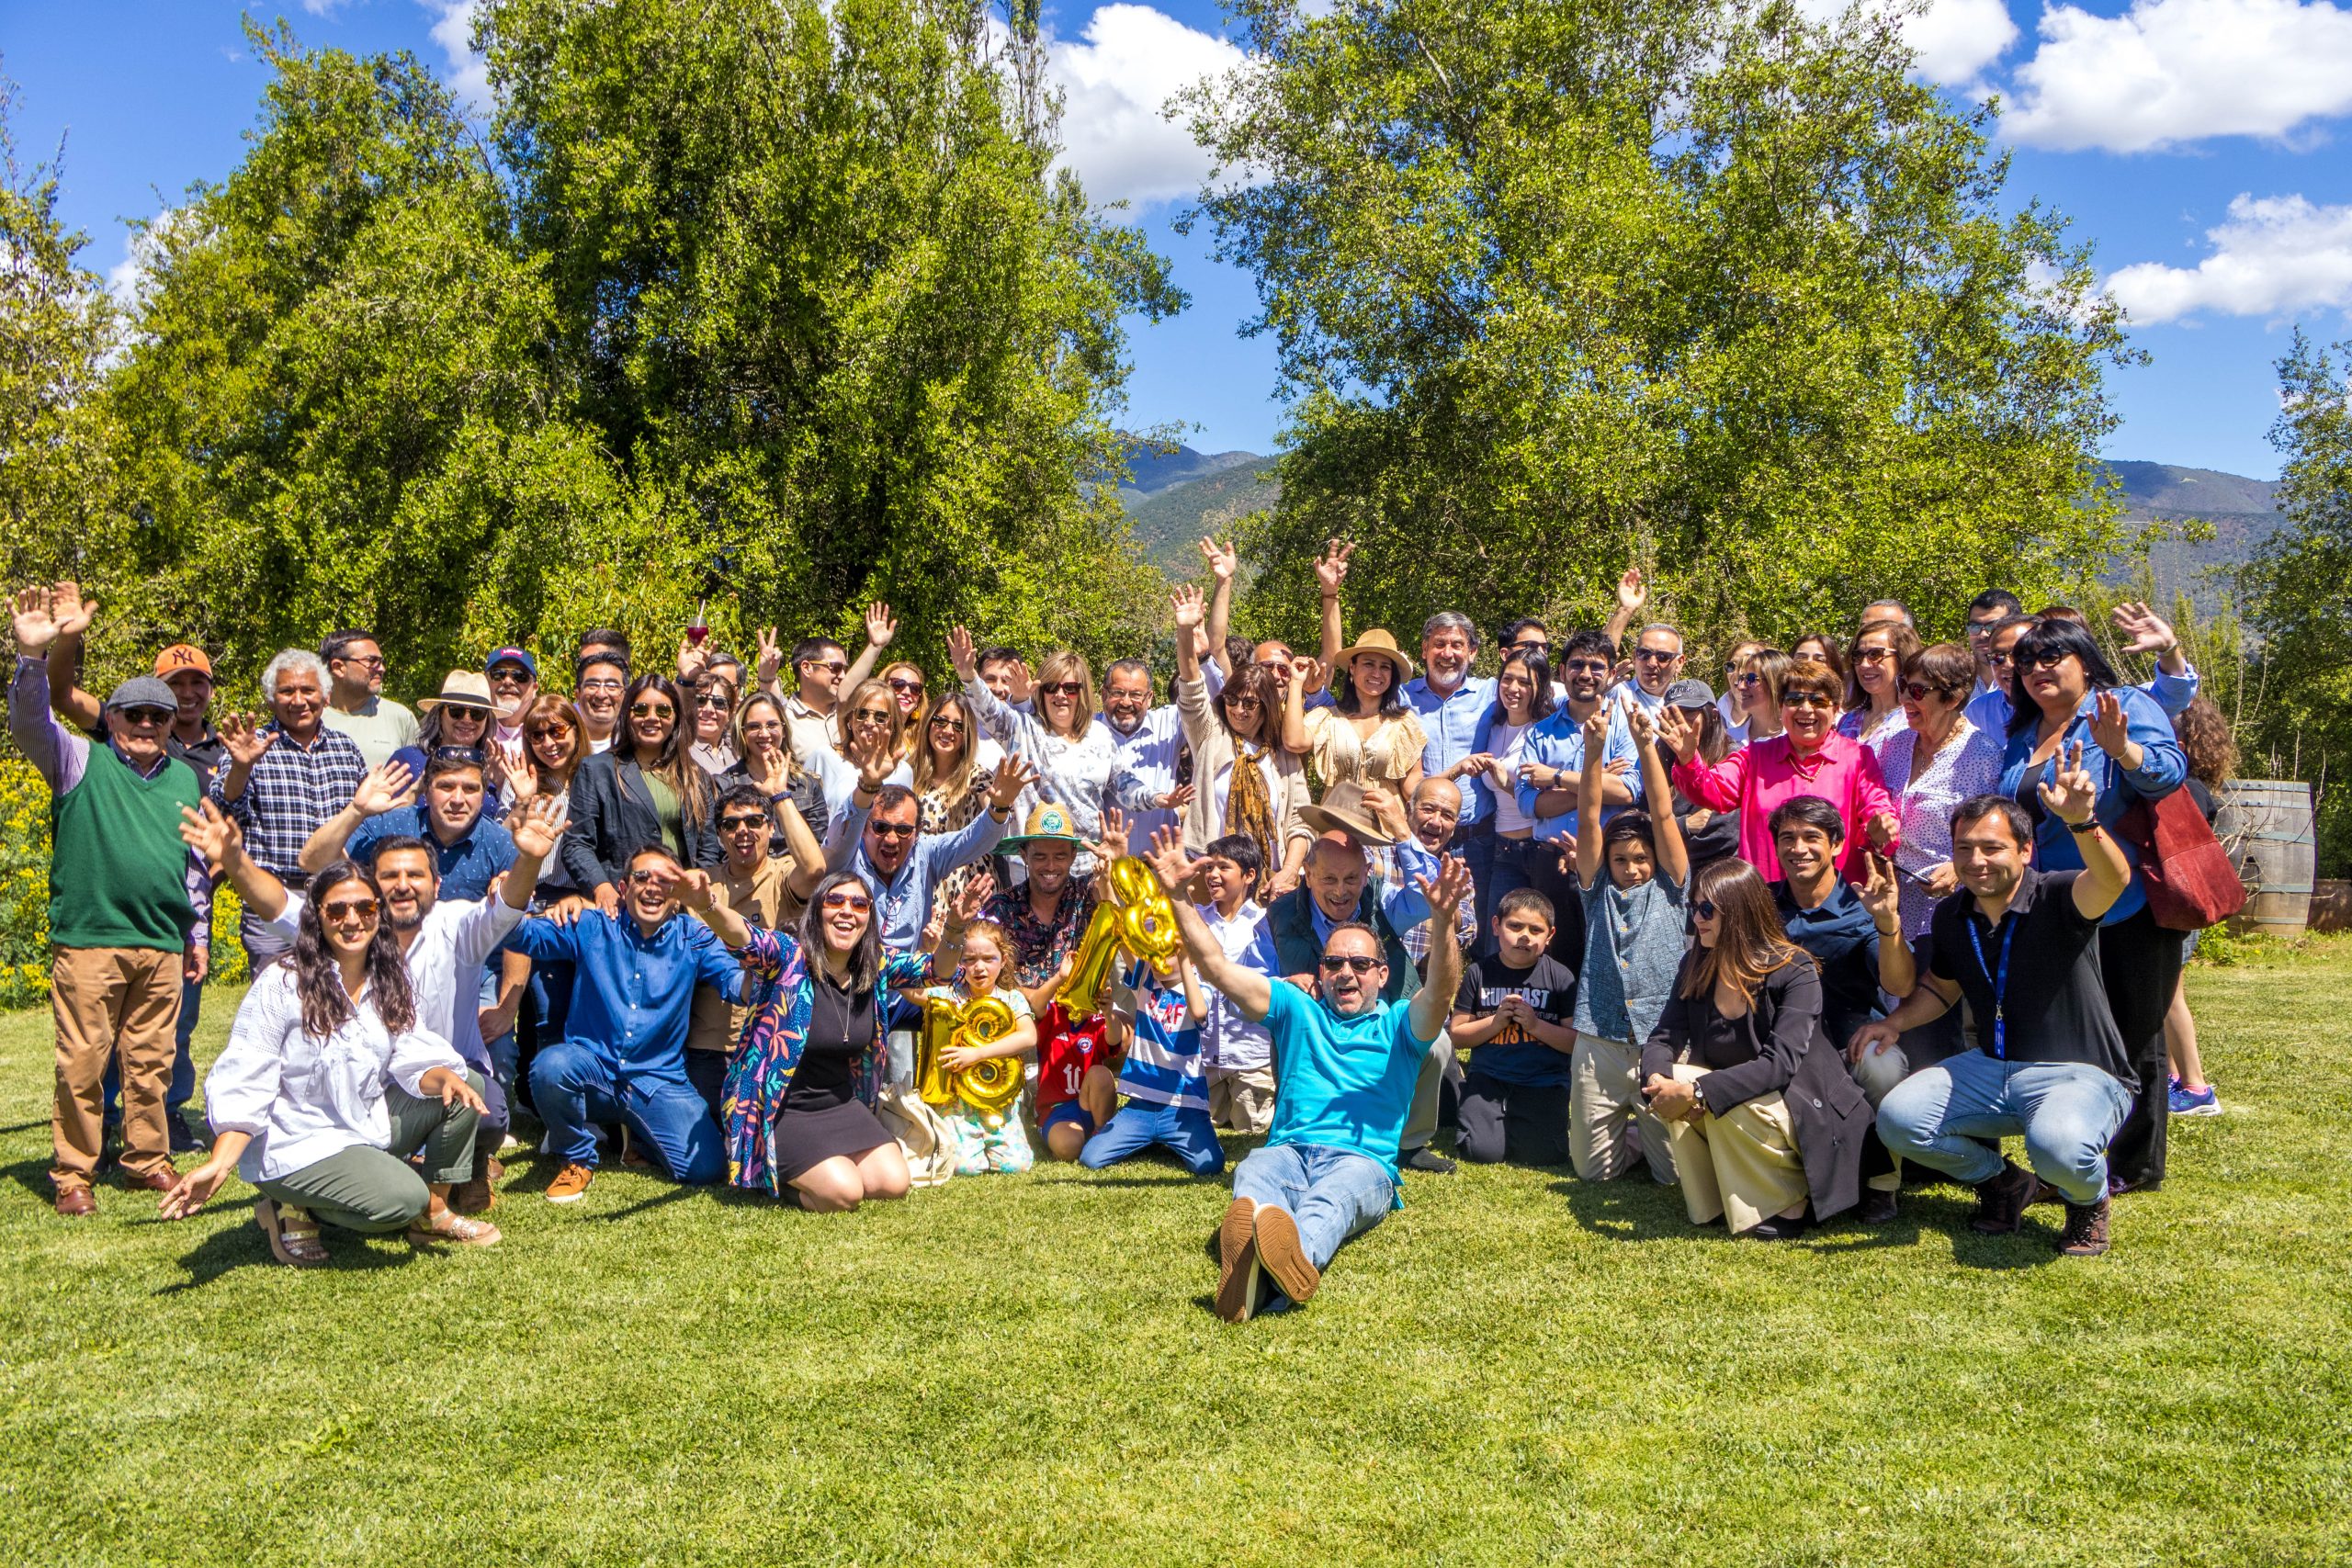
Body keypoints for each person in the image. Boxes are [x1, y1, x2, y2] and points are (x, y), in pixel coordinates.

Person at [1143, 828, 1473, 1322]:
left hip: (1362, 1162)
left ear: (1382, 975)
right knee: (1255, 1170)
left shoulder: (1400, 1023)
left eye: (1361, 964)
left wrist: (1444, 920)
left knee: (1331, 1202)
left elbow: (1443, 991)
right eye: (1335, 962)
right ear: (1320, 971)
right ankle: (1262, 1254)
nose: (1346, 973)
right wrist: (1177, 900)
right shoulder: (1295, 1007)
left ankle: (1280, 1260)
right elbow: (1215, 967)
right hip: (1289, 1150)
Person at [188, 793, 567, 1212]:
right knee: (398, 1195)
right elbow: (275, 902)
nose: (403, 885)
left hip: (422, 1078)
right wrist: (236, 861)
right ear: (373, 885)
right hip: (344, 1097)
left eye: (415, 876)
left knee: (487, 1110)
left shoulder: (454, 924)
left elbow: (504, 909)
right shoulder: (346, 925)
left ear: (436, 885)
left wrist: (529, 860)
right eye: (389, 877)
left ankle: (453, 1177)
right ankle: (310, 1200)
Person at [158, 858, 498, 1263]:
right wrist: (220, 1163)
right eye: (337, 910)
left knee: (466, 1087)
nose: (352, 920)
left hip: (360, 1121)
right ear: (316, 917)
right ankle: (289, 1205)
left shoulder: (391, 976)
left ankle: (433, 1214)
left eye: (365, 908)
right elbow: (249, 1076)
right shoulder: (283, 983)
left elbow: (411, 1049)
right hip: (297, 1140)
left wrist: (442, 1077)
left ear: (379, 912)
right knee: (401, 1198)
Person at [1861, 778, 2138, 1257]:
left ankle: (2086, 1201)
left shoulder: (2060, 896)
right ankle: (2007, 1182)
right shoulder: (1953, 914)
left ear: (2026, 851)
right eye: (1963, 848)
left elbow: (2114, 879)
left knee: (2058, 1147)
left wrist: (2081, 821)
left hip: (2078, 1073)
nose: (1975, 860)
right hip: (1991, 1067)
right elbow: (1940, 988)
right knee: (1899, 1119)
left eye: (1992, 847)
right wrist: (1896, 1023)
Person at [11, 590, 212, 1215]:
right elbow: (28, 721)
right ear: (113, 720)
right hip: (90, 938)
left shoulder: (185, 778)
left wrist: (194, 934)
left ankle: (145, 1161)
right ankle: (74, 1174)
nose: (147, 726)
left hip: (160, 943)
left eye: (158, 717)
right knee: (83, 1063)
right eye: (133, 716)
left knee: (151, 1064)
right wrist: (31, 656)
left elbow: (190, 867)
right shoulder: (77, 759)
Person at [1998, 616, 2188, 1194]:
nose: (2037, 670)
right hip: (2053, 905)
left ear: (2085, 660)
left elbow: (2168, 774)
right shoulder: (2024, 732)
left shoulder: (2121, 705)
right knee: (2072, 1034)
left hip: (2127, 900)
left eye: (2051, 657)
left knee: (2134, 1032)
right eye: (2026, 662)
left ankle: (2132, 1163)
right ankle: (2075, 1148)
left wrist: (2123, 750)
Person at [721, 870, 982, 1210]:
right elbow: (746, 939)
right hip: (783, 1110)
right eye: (835, 900)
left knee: (894, 1182)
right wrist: (707, 903)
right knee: (845, 1192)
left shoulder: (874, 966)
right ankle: (775, 1179)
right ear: (817, 911)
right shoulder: (789, 958)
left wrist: (955, 928)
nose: (847, 910)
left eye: (860, 904)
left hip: (840, 1104)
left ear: (868, 919)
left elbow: (937, 972)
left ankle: (826, 1168)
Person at [1640, 857, 1871, 1238]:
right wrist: (1657, 1082)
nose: (1697, 918)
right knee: (1674, 1082)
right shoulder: (1696, 962)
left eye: (1708, 909)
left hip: (1802, 1106)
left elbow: (1780, 1065)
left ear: (1741, 911)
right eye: (1693, 907)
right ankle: (1714, 1201)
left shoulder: (1795, 968)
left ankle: (1790, 1203)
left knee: (1712, 1092)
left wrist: (1697, 1091)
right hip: (1750, 1105)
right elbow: (1664, 1035)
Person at [511, 845, 756, 1201]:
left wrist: (769, 967)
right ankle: (577, 1155)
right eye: (642, 878)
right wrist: (515, 894)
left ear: (677, 895)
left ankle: (637, 1135)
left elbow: (737, 987)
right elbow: (522, 936)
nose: (652, 887)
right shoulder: (593, 924)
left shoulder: (693, 936)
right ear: (623, 889)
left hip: (657, 1080)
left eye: (665, 881)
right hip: (591, 1072)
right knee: (550, 1067)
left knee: (706, 1169)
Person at [1261, 820, 1450, 1172]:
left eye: (1351, 878)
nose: (1340, 891)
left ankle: (1408, 1142)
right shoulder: (1277, 915)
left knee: (1437, 1042)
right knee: (1284, 1024)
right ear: (1307, 874)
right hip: (1317, 1026)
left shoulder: (1384, 900)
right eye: (1329, 879)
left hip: (1385, 1019)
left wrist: (1402, 834)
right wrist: (1283, 980)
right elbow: (1250, 974)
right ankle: (1299, 1125)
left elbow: (1431, 896)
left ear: (1366, 873)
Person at [1765, 795, 1917, 1222]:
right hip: (1784, 1039)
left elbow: (1900, 984)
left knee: (1882, 1067)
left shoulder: (1862, 906)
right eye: (1787, 838)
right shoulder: (1762, 905)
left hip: (1851, 1033)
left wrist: (1888, 924)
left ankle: (1881, 1184)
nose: (1798, 848)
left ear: (1837, 844)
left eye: (1812, 837)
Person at [1566, 705, 1682, 1185]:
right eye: (1620, 860)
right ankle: (1627, 1131)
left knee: (1673, 1178)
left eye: (1640, 858)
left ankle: (1644, 1124)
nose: (1631, 868)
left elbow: (1662, 810)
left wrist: (1644, 746)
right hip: (1600, 1040)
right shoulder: (1597, 894)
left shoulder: (1674, 887)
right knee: (1595, 1173)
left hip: (1661, 1042)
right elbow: (1590, 817)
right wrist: (1592, 753)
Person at [1660, 657, 1898, 883]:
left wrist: (1881, 829)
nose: (1805, 709)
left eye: (1818, 701)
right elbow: (1711, 791)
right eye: (1794, 700)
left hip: (1836, 905)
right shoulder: (1755, 756)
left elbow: (1878, 813)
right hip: (1767, 901)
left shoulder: (1857, 757)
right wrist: (1689, 759)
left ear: (1835, 709)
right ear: (1782, 707)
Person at [981, 803, 1127, 1157]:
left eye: (1060, 856)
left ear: (1073, 856)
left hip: (1081, 1027)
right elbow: (994, 983)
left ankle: (1103, 1112)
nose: (1050, 866)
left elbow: (1120, 925)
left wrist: (1113, 872)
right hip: (1022, 1025)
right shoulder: (1002, 907)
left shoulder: (1086, 894)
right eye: (1041, 856)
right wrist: (1041, 995)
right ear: (1023, 855)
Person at [210, 649, 368, 967]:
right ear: (271, 699)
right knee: (279, 998)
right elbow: (224, 807)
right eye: (287, 691)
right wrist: (241, 767)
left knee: (338, 996)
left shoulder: (346, 749)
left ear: (325, 696)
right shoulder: (253, 746)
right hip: (274, 898)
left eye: (308, 690)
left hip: (336, 899)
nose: (298, 700)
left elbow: (362, 816)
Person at [683, 780, 828, 1118]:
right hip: (710, 1044)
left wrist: (780, 797)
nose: (742, 831)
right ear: (719, 835)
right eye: (730, 825)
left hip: (773, 1039)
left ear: (770, 827)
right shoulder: (702, 884)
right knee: (713, 1150)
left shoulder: (782, 875)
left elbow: (816, 869)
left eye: (754, 821)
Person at [949, 623, 1118, 876]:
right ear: (1042, 691)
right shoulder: (1023, 727)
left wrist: (1159, 799)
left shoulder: (1101, 735)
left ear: (1082, 692)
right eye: (1051, 687)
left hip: (1085, 864)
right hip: (1028, 865)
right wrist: (968, 675)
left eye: (1070, 688)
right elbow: (991, 710)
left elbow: (1125, 785)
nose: (1060, 694)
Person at [1171, 585, 1309, 892]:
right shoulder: (1210, 734)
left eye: (1250, 704)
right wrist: (1184, 632)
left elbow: (1301, 822)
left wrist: (1287, 873)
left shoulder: (1283, 754)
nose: (1238, 710)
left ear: (1266, 707)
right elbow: (1191, 684)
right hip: (1211, 884)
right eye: (1232, 700)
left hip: (1270, 886)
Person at [1513, 629, 1638, 965]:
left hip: (1606, 863)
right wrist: (1598, 782)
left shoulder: (1623, 728)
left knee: (1608, 958)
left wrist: (1556, 778)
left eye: (1596, 667)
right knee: (1553, 963)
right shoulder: (1540, 732)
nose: (1585, 674)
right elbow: (1529, 805)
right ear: (1562, 670)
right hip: (1549, 864)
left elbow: (1626, 791)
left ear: (1612, 674)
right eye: (1577, 664)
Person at [824, 758, 1027, 950]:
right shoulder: (847, 853)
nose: (891, 839)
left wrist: (999, 806)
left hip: (906, 980)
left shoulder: (926, 853)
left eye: (903, 830)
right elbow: (843, 828)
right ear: (865, 828)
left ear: (918, 831)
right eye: (881, 827)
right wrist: (867, 785)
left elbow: (973, 840)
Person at [1878, 643, 2006, 944]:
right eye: (1903, 686)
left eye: (1918, 691)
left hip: (1951, 901)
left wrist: (1958, 871)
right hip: (1894, 899)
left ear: (1954, 698)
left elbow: (1998, 837)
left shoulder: (1982, 755)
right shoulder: (1894, 745)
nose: (1905, 698)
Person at [563, 671, 719, 913]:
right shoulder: (597, 770)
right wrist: (601, 886)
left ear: (676, 717)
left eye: (663, 711)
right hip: (621, 905)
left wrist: (695, 890)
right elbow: (576, 843)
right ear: (627, 714)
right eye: (641, 709)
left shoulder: (695, 775)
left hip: (681, 908)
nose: (652, 718)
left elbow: (708, 848)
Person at [1448, 889, 1577, 1167]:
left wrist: (1535, 1026)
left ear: (1550, 935)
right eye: (1515, 926)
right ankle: (1475, 1107)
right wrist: (1495, 1022)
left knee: (1542, 1155)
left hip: (1543, 1080)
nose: (1524, 936)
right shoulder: (1478, 973)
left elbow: (1575, 1042)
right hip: (1488, 1078)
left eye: (1536, 930)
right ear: (1496, 926)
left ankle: (1525, 1121)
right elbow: (1457, 1035)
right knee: (1480, 1152)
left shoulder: (1561, 977)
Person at [300, 754, 517, 904]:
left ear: (482, 796)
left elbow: (517, 926)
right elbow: (313, 861)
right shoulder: (390, 826)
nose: (458, 799)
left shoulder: (501, 843)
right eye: (446, 786)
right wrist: (356, 811)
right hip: (395, 960)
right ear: (427, 792)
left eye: (470, 789)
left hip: (478, 967)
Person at [1079, 953, 1221, 1176]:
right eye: (1154, 953)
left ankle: (1159, 1136)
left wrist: (1184, 958)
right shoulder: (1146, 978)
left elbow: (1199, 1012)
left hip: (1183, 1108)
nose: (1158, 960)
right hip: (1141, 1105)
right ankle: (1150, 1136)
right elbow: (1127, 942)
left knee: (1209, 1165)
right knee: (1091, 1158)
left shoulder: (1200, 987)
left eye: (1168, 954)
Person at [918, 918, 1038, 1175]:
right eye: (969, 959)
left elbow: (1029, 1037)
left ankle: (996, 1139)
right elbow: (912, 992)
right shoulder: (949, 994)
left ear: (1003, 961)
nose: (979, 968)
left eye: (988, 959)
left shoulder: (1011, 998)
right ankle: (960, 1139)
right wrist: (932, 956)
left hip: (1000, 1103)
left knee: (1017, 1165)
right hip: (959, 1105)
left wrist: (977, 1054)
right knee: (966, 1167)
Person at [2163, 697, 2233, 1117]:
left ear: (2183, 744)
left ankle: (2196, 1087)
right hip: (2182, 904)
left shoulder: (2185, 789)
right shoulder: (2198, 787)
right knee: (2166, 993)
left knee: (2171, 995)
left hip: (2178, 904)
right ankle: (2174, 1080)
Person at [1189, 833, 1280, 1134]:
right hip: (1205, 1057)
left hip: (1250, 1057)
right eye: (1209, 867)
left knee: (1251, 1130)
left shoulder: (1267, 924)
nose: (1212, 875)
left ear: (1249, 875)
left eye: (1223, 867)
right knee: (1198, 1127)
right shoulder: (1197, 920)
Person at [1460, 646, 1554, 935]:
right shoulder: (1494, 727)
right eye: (1507, 679)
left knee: (1539, 936)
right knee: (1496, 938)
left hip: (1538, 848)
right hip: (1502, 847)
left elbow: (1551, 799)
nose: (1514, 688)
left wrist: (1507, 784)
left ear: (1540, 687)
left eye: (1525, 682)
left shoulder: (1547, 730)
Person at [1401, 607, 1498, 837]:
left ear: (1472, 652)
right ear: (1425, 650)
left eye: (1457, 645)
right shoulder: (1402, 697)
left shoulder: (1492, 694)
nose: (1447, 653)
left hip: (1478, 837)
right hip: (1421, 834)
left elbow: (1541, 695)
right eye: (1439, 644)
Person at [768, 604, 896, 773]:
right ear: (806, 668)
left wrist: (875, 647)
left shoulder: (853, 714)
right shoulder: (785, 718)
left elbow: (846, 691)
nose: (842, 675)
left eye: (844, 669)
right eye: (835, 667)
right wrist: (767, 676)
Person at [722, 690, 829, 849]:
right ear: (742, 732)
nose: (764, 733)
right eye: (754, 726)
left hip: (797, 870)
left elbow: (817, 848)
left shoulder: (807, 785)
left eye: (772, 725)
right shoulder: (724, 785)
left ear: (784, 730)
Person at [317, 628, 420, 770]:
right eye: (371, 661)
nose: (382, 668)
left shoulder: (400, 718)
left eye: (381, 661)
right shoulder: (311, 717)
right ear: (338, 667)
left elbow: (419, 778)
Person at [814, 676, 913, 822]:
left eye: (880, 717)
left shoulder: (903, 771)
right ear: (850, 719)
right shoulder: (824, 757)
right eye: (862, 714)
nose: (869, 722)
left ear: (892, 725)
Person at [1838, 616, 1921, 754]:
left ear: (1902, 658)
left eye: (1875, 654)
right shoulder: (1847, 721)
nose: (1864, 664)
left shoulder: (1914, 721)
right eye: (1858, 656)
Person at [1613, 623, 1689, 720]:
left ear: (1679, 663)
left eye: (1662, 656)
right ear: (1634, 657)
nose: (1651, 663)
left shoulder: (1687, 706)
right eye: (1644, 654)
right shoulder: (1615, 692)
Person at [1962, 590, 2025, 698]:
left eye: (1993, 627)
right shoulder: (1954, 680)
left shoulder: (2031, 678)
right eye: (1975, 627)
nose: (1983, 635)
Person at [684, 667, 741, 776]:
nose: (708, 709)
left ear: (730, 712)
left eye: (719, 702)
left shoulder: (737, 750)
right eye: (700, 700)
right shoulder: (680, 750)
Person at [572, 650, 628, 754]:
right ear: (578, 694)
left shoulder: (634, 746)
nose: (601, 694)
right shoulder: (560, 746)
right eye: (593, 685)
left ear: (625, 695)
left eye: (611, 686)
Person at [1714, 639, 1767, 749]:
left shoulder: (1783, 722)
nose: (1738, 673)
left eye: (1748, 665)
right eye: (1731, 666)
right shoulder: (1713, 715)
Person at [485, 647, 538, 752]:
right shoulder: (470, 729)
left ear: (534, 689)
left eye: (520, 676)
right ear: (485, 682)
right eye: (498, 674)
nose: (508, 681)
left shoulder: (549, 732)